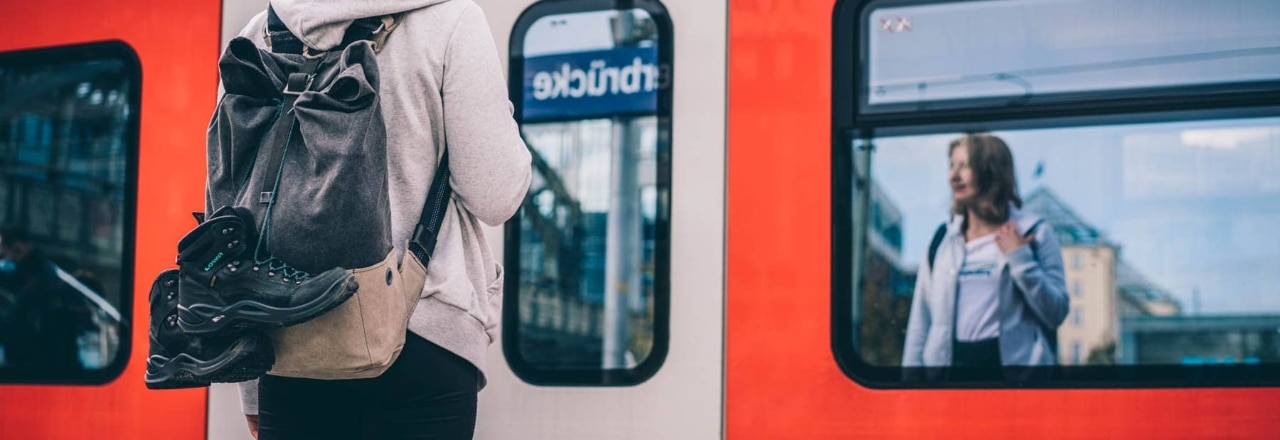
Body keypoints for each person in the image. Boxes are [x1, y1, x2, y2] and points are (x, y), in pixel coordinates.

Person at [225, 1, 532, 438]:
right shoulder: (452, 19)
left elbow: (233, 218)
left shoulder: (262, 33)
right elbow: (496, 194)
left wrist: (251, 383)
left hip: (290, 338)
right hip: (423, 333)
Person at [901, 133, 1068, 375]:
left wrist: (1020, 258)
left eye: (964, 166)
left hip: (1015, 379)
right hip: (946, 378)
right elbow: (920, 321)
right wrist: (909, 389)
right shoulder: (942, 239)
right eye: (951, 166)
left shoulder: (1034, 232)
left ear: (991, 171)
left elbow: (1056, 312)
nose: (953, 176)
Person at [0, 225, 93, 372]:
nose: (2, 262)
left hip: (38, 366)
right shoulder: (25, 276)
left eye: (2, 256)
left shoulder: (42, 281)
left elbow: (18, 324)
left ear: (18, 249)